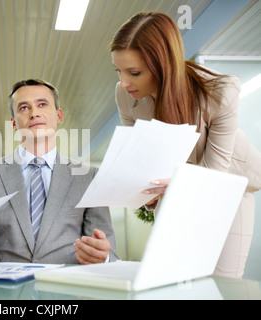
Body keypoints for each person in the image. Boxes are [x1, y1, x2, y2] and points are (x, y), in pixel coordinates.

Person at [110, 12, 261, 278]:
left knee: (222, 281)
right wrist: (140, 188)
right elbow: (143, 159)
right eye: (118, 71)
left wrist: (174, 186)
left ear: (162, 65)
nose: (123, 82)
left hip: (228, 184)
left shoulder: (221, 91)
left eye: (134, 72)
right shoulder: (125, 96)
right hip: (174, 186)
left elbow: (213, 175)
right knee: (173, 276)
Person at [0, 79, 118, 267]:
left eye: (42, 104)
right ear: (13, 123)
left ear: (59, 116)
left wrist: (104, 258)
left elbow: (107, 253)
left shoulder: (88, 177)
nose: (34, 113)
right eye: (24, 108)